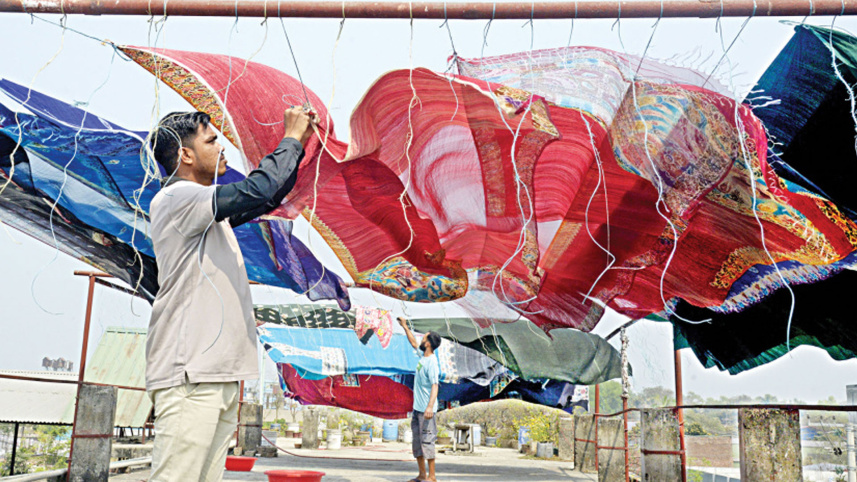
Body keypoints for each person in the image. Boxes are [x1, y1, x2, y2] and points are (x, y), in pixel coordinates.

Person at [145, 106, 316, 482]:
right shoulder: (178, 198)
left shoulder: (204, 212)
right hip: (190, 376)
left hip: (215, 375)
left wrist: (299, 145)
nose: (221, 147)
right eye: (211, 140)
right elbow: (260, 188)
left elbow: (265, 198)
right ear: (185, 155)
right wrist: (290, 136)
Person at [398, 317, 442, 482]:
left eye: (424, 337)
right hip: (418, 409)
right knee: (417, 442)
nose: (421, 339)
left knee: (427, 440)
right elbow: (413, 343)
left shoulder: (432, 363)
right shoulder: (423, 357)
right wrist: (405, 327)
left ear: (429, 343)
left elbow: (435, 385)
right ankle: (422, 474)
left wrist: (430, 407)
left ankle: (432, 476)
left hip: (426, 411)